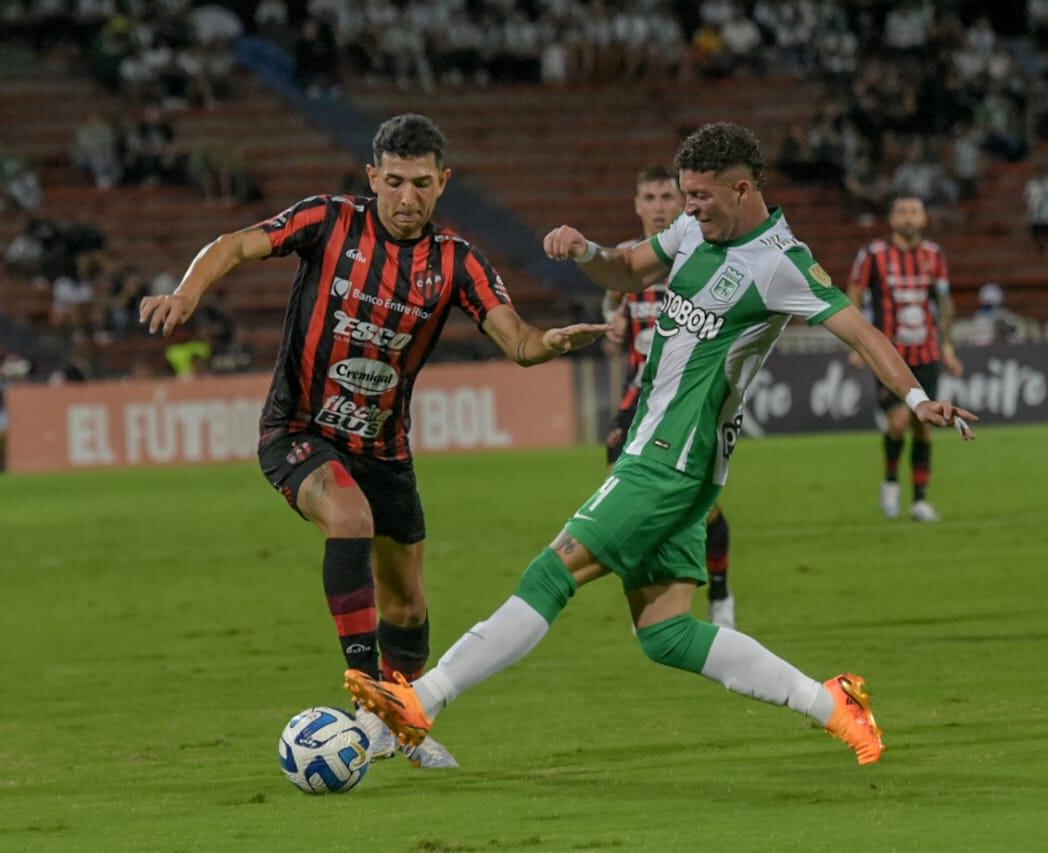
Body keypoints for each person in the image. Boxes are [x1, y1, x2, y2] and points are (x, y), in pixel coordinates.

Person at [346, 123, 976, 769]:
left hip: (671, 456)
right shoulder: (690, 234)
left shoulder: (780, 263)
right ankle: (833, 702)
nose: (688, 208)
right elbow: (623, 267)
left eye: (700, 196)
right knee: (666, 631)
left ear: (741, 188)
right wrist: (585, 248)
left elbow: (861, 330)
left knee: (551, 573)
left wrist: (916, 398)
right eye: (684, 194)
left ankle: (422, 700)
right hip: (681, 461)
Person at [139, 113, 606, 767]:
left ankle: (398, 720)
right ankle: (366, 705)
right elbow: (238, 243)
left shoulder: (456, 262)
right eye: (393, 181)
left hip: (385, 448)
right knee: (347, 515)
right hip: (297, 429)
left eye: (420, 183)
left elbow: (518, 339)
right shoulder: (329, 222)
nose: (406, 197)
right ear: (372, 178)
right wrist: (188, 293)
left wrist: (550, 344)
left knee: (408, 603)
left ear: (443, 182)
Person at [602, 165, 736, 628]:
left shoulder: (702, 252)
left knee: (704, 506)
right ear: (637, 205)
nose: (659, 206)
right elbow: (613, 307)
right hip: (637, 397)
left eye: (666, 196)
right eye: (650, 197)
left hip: (688, 403)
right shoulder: (625, 258)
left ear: (679, 203)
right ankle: (657, 592)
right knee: (619, 484)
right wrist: (615, 325)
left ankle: (720, 593)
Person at [846, 195, 963, 522]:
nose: (909, 218)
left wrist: (949, 349)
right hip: (889, 355)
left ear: (924, 219)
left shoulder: (934, 255)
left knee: (924, 426)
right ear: (892, 219)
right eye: (902, 212)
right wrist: (856, 345)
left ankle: (920, 501)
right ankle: (891, 481)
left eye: (915, 212)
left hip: (926, 354)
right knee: (898, 422)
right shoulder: (873, 254)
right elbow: (854, 294)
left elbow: (944, 304)